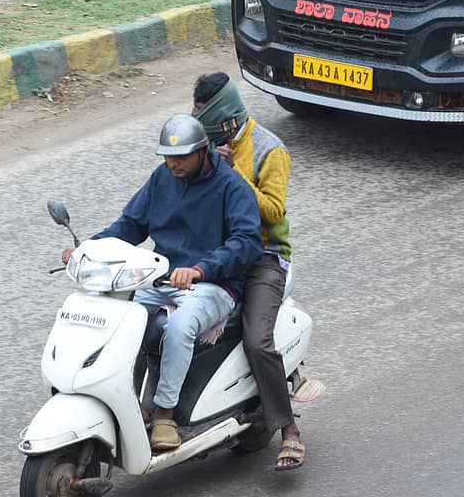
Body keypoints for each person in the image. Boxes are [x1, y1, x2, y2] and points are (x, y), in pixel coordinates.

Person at [61, 114, 263, 451]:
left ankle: (165, 413)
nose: (173, 163)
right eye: (168, 156)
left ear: (203, 151)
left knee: (180, 326)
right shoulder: (162, 179)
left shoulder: (231, 187)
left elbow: (247, 241)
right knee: (117, 319)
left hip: (213, 285)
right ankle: (128, 401)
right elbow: (130, 225)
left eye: (182, 156)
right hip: (160, 279)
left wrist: (200, 269)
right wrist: (87, 250)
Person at [192, 72, 305, 472]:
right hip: (217, 254)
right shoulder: (207, 146)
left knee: (257, 341)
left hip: (264, 258)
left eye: (203, 114)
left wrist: (231, 174)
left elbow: (273, 211)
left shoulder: (270, 150)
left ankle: (288, 429)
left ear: (225, 119)